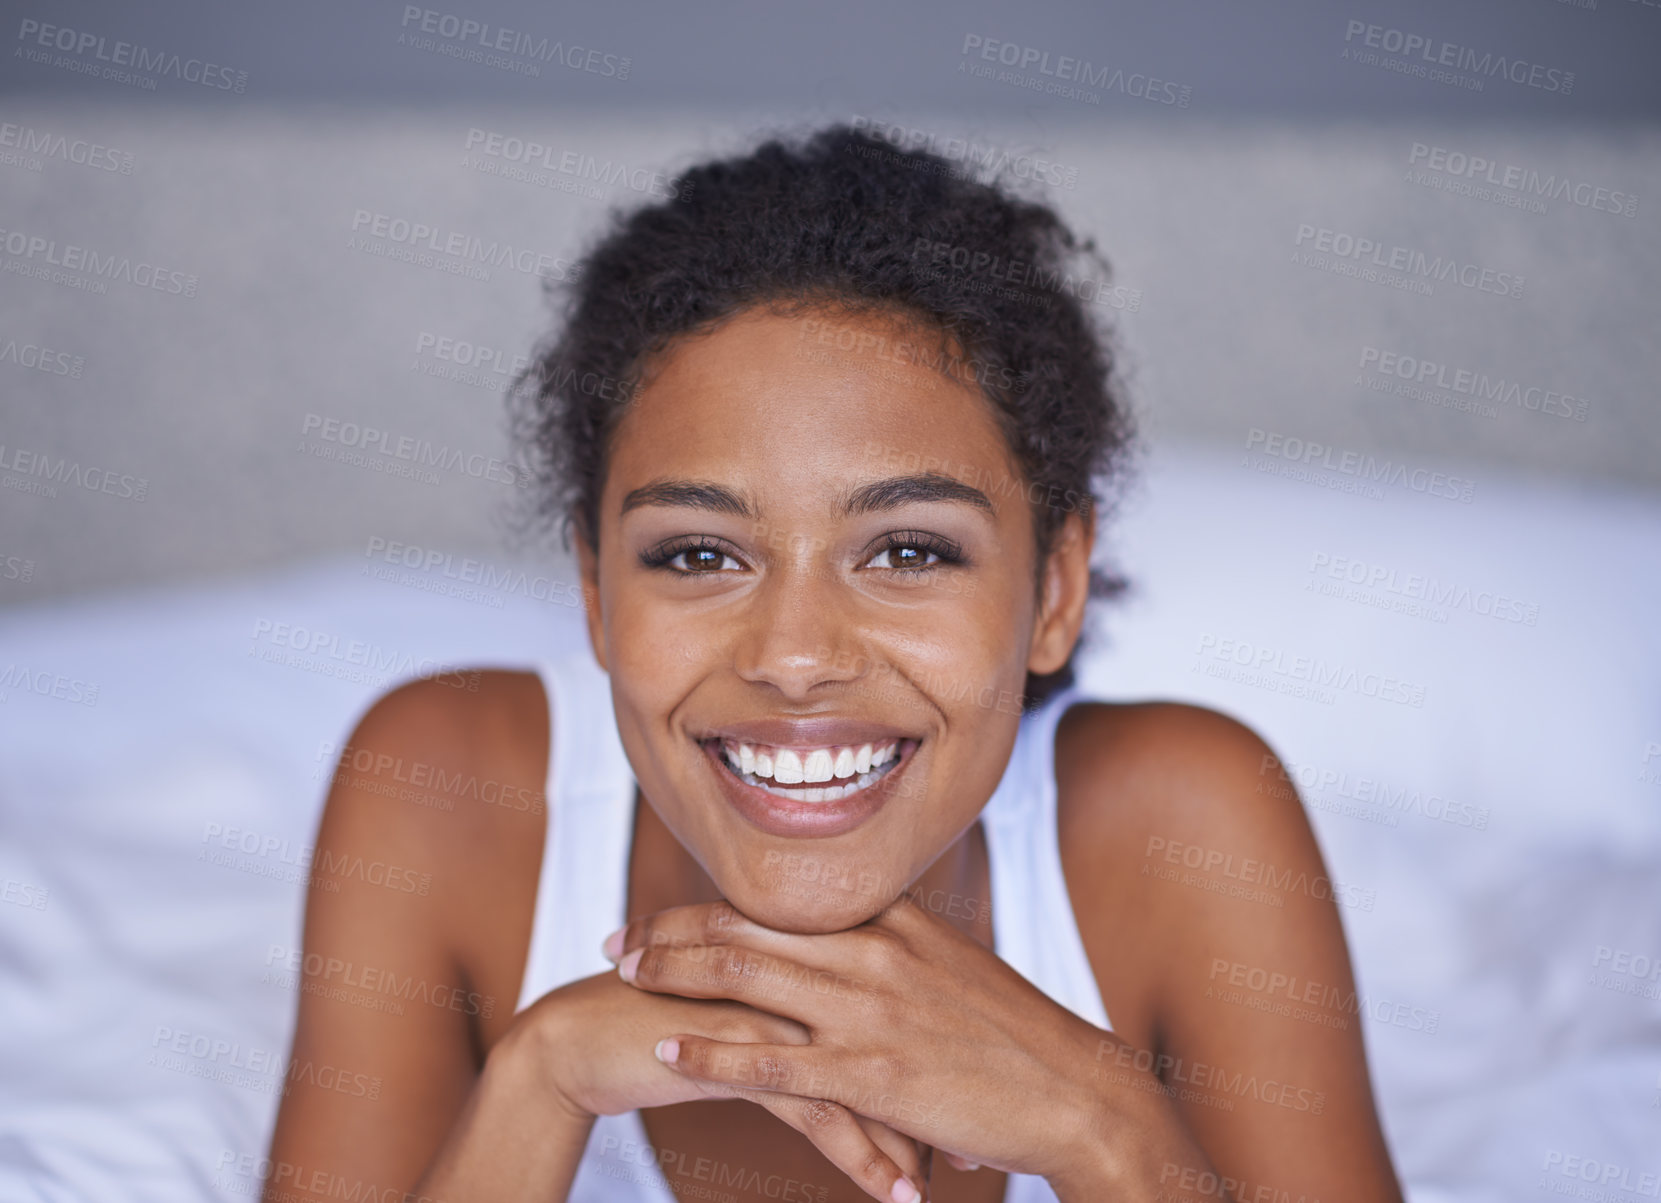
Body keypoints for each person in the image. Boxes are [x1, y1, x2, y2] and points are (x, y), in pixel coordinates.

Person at [266, 124, 1404, 1203]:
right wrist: (542, 1074)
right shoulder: (438, 790)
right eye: (700, 553)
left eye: (908, 550)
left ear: (1053, 588)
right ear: (594, 593)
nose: (796, 657)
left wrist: (1099, 1122)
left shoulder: (1183, 821)